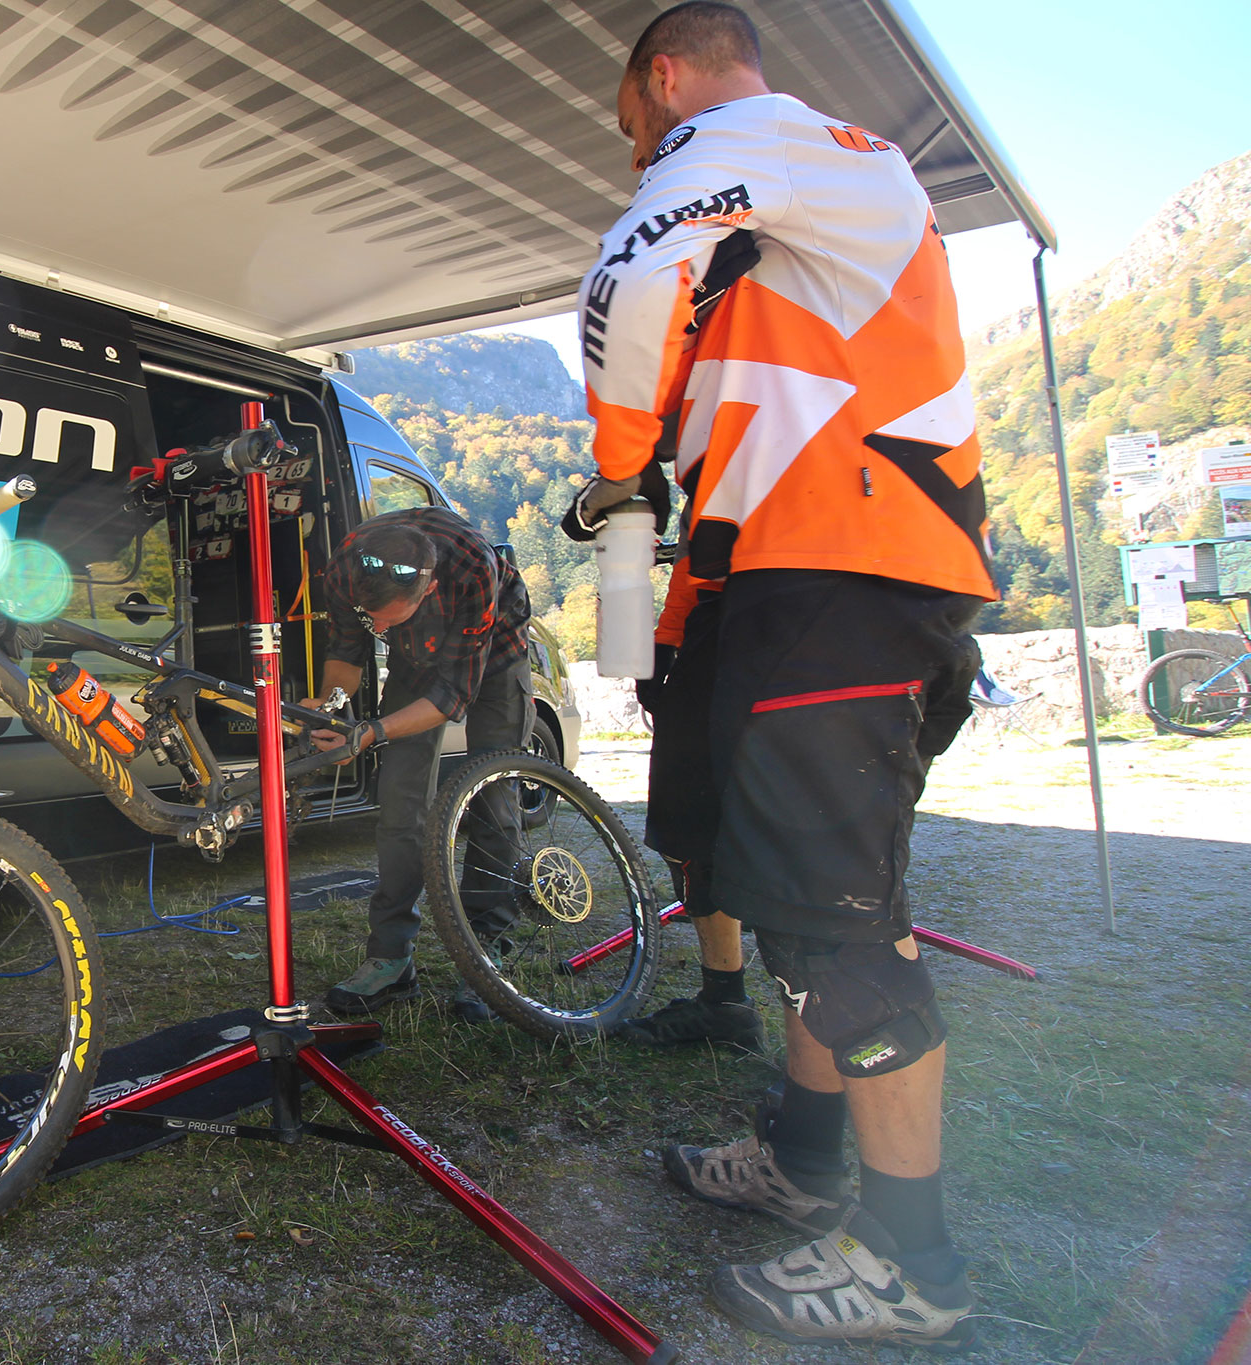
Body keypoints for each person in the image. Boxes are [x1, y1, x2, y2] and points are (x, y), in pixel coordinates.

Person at [563, 2, 994, 1349]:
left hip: (850, 580)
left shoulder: (782, 144)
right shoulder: (772, 241)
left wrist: (622, 450)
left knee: (842, 932)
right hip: (777, 588)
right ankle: (808, 1163)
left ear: (668, 78)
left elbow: (626, 275)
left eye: (633, 125)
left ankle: (917, 1265)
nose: (638, 155)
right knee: (786, 902)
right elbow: (733, 424)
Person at [308, 506, 534, 1025]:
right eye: (373, 618)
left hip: (494, 651)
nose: (377, 628)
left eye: (388, 618)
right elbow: (346, 648)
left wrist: (376, 730)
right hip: (416, 659)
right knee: (399, 801)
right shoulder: (346, 565)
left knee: (492, 796)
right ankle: (391, 957)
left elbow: (453, 696)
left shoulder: (473, 570)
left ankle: (485, 950)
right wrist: (331, 708)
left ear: (426, 592)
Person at [615, 554, 767, 1053]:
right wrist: (662, 648)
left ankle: (826, 1032)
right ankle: (725, 997)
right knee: (686, 823)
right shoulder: (704, 485)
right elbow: (691, 569)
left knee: (782, 822)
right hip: (710, 627)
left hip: (783, 615)